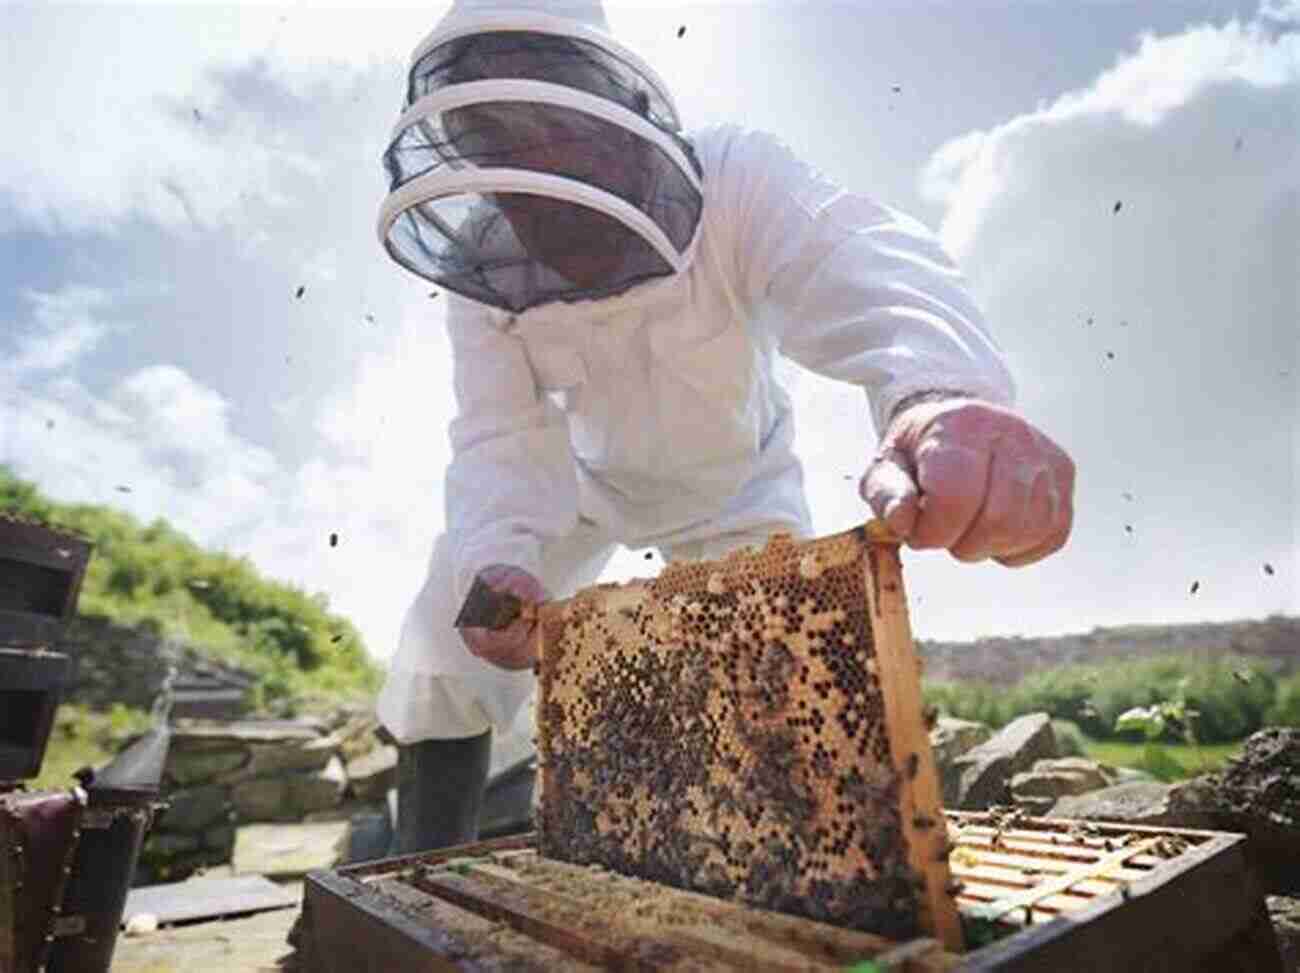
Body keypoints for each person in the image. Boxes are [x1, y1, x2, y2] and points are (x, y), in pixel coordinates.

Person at [374, 0, 1075, 853]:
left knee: (781, 683)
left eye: (546, 128)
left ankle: (798, 869)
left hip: (736, 488)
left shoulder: (735, 175)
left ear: (602, 97)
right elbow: (497, 434)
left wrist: (939, 391)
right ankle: (421, 876)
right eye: (498, 143)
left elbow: (852, 254)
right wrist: (501, 557)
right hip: (583, 494)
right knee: (442, 643)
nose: (532, 171)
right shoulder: (482, 266)